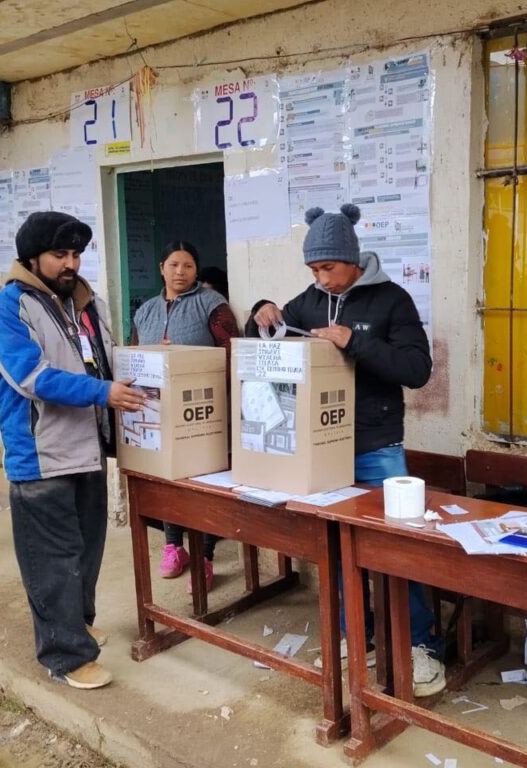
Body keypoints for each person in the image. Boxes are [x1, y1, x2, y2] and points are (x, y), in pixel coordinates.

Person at [251, 204, 445, 697]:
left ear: (352, 259)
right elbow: (276, 330)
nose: (322, 279)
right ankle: (356, 631)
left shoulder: (391, 300)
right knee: (336, 548)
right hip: (322, 448)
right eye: (313, 271)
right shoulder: (312, 300)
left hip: (377, 445)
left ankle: (422, 645)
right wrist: (264, 308)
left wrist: (353, 342)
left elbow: (417, 370)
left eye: (328, 269)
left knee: (399, 549)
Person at [0, 211, 146, 690]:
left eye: (76, 254)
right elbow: (30, 378)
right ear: (32, 257)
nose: (71, 263)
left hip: (87, 449)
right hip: (40, 456)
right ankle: (65, 655)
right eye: (60, 254)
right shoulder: (9, 308)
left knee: (88, 550)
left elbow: (106, 359)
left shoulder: (84, 304)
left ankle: (78, 624)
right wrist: (103, 394)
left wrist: (151, 359)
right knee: (52, 558)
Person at [131, 241, 239, 590]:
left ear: (196, 271)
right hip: (157, 413)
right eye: (174, 264)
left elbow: (231, 355)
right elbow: (132, 355)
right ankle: (174, 547)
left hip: (203, 412)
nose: (180, 272)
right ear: (162, 267)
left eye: (188, 266)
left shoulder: (213, 305)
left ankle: (205, 557)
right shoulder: (145, 311)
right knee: (167, 482)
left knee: (203, 484)